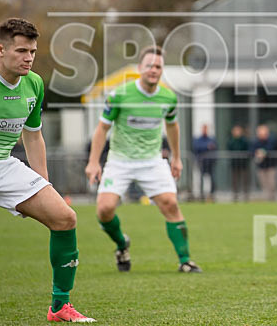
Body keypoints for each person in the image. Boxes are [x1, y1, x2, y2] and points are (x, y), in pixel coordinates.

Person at [0, 18, 94, 322]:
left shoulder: (35, 84)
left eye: (33, 51)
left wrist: (42, 185)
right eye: (21, 51)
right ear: (0, 50)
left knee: (65, 217)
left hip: (5, 164)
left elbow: (33, 134)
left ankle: (60, 306)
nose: (28, 58)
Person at [85, 46, 202, 273]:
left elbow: (172, 126)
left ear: (162, 70)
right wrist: (93, 161)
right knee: (105, 210)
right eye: (149, 65)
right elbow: (102, 129)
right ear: (140, 68)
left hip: (152, 161)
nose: (153, 70)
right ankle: (121, 244)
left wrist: (177, 158)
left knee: (171, 203)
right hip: (120, 161)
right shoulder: (120, 94)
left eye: (158, 66)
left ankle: (185, 260)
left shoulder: (168, 96)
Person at [252, 124, 277, 201]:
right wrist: (257, 153)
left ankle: (273, 199)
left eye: (263, 131)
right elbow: (251, 150)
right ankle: (267, 199)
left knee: (272, 183)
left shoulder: (272, 140)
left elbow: (272, 148)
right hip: (261, 166)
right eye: (260, 132)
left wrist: (264, 152)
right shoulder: (255, 141)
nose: (262, 133)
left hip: (271, 165)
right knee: (263, 184)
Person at [192, 124, 217, 202]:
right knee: (201, 178)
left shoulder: (212, 139)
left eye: (206, 129)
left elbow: (215, 147)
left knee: (212, 178)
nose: (205, 130)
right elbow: (196, 147)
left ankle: (212, 194)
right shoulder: (198, 139)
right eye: (204, 128)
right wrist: (207, 147)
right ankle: (201, 194)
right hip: (201, 162)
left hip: (210, 162)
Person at [228, 124, 250, 202]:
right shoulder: (231, 140)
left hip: (243, 164)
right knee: (235, 181)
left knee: (245, 180)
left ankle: (245, 196)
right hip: (234, 164)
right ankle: (235, 196)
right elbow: (229, 147)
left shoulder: (244, 140)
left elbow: (246, 147)